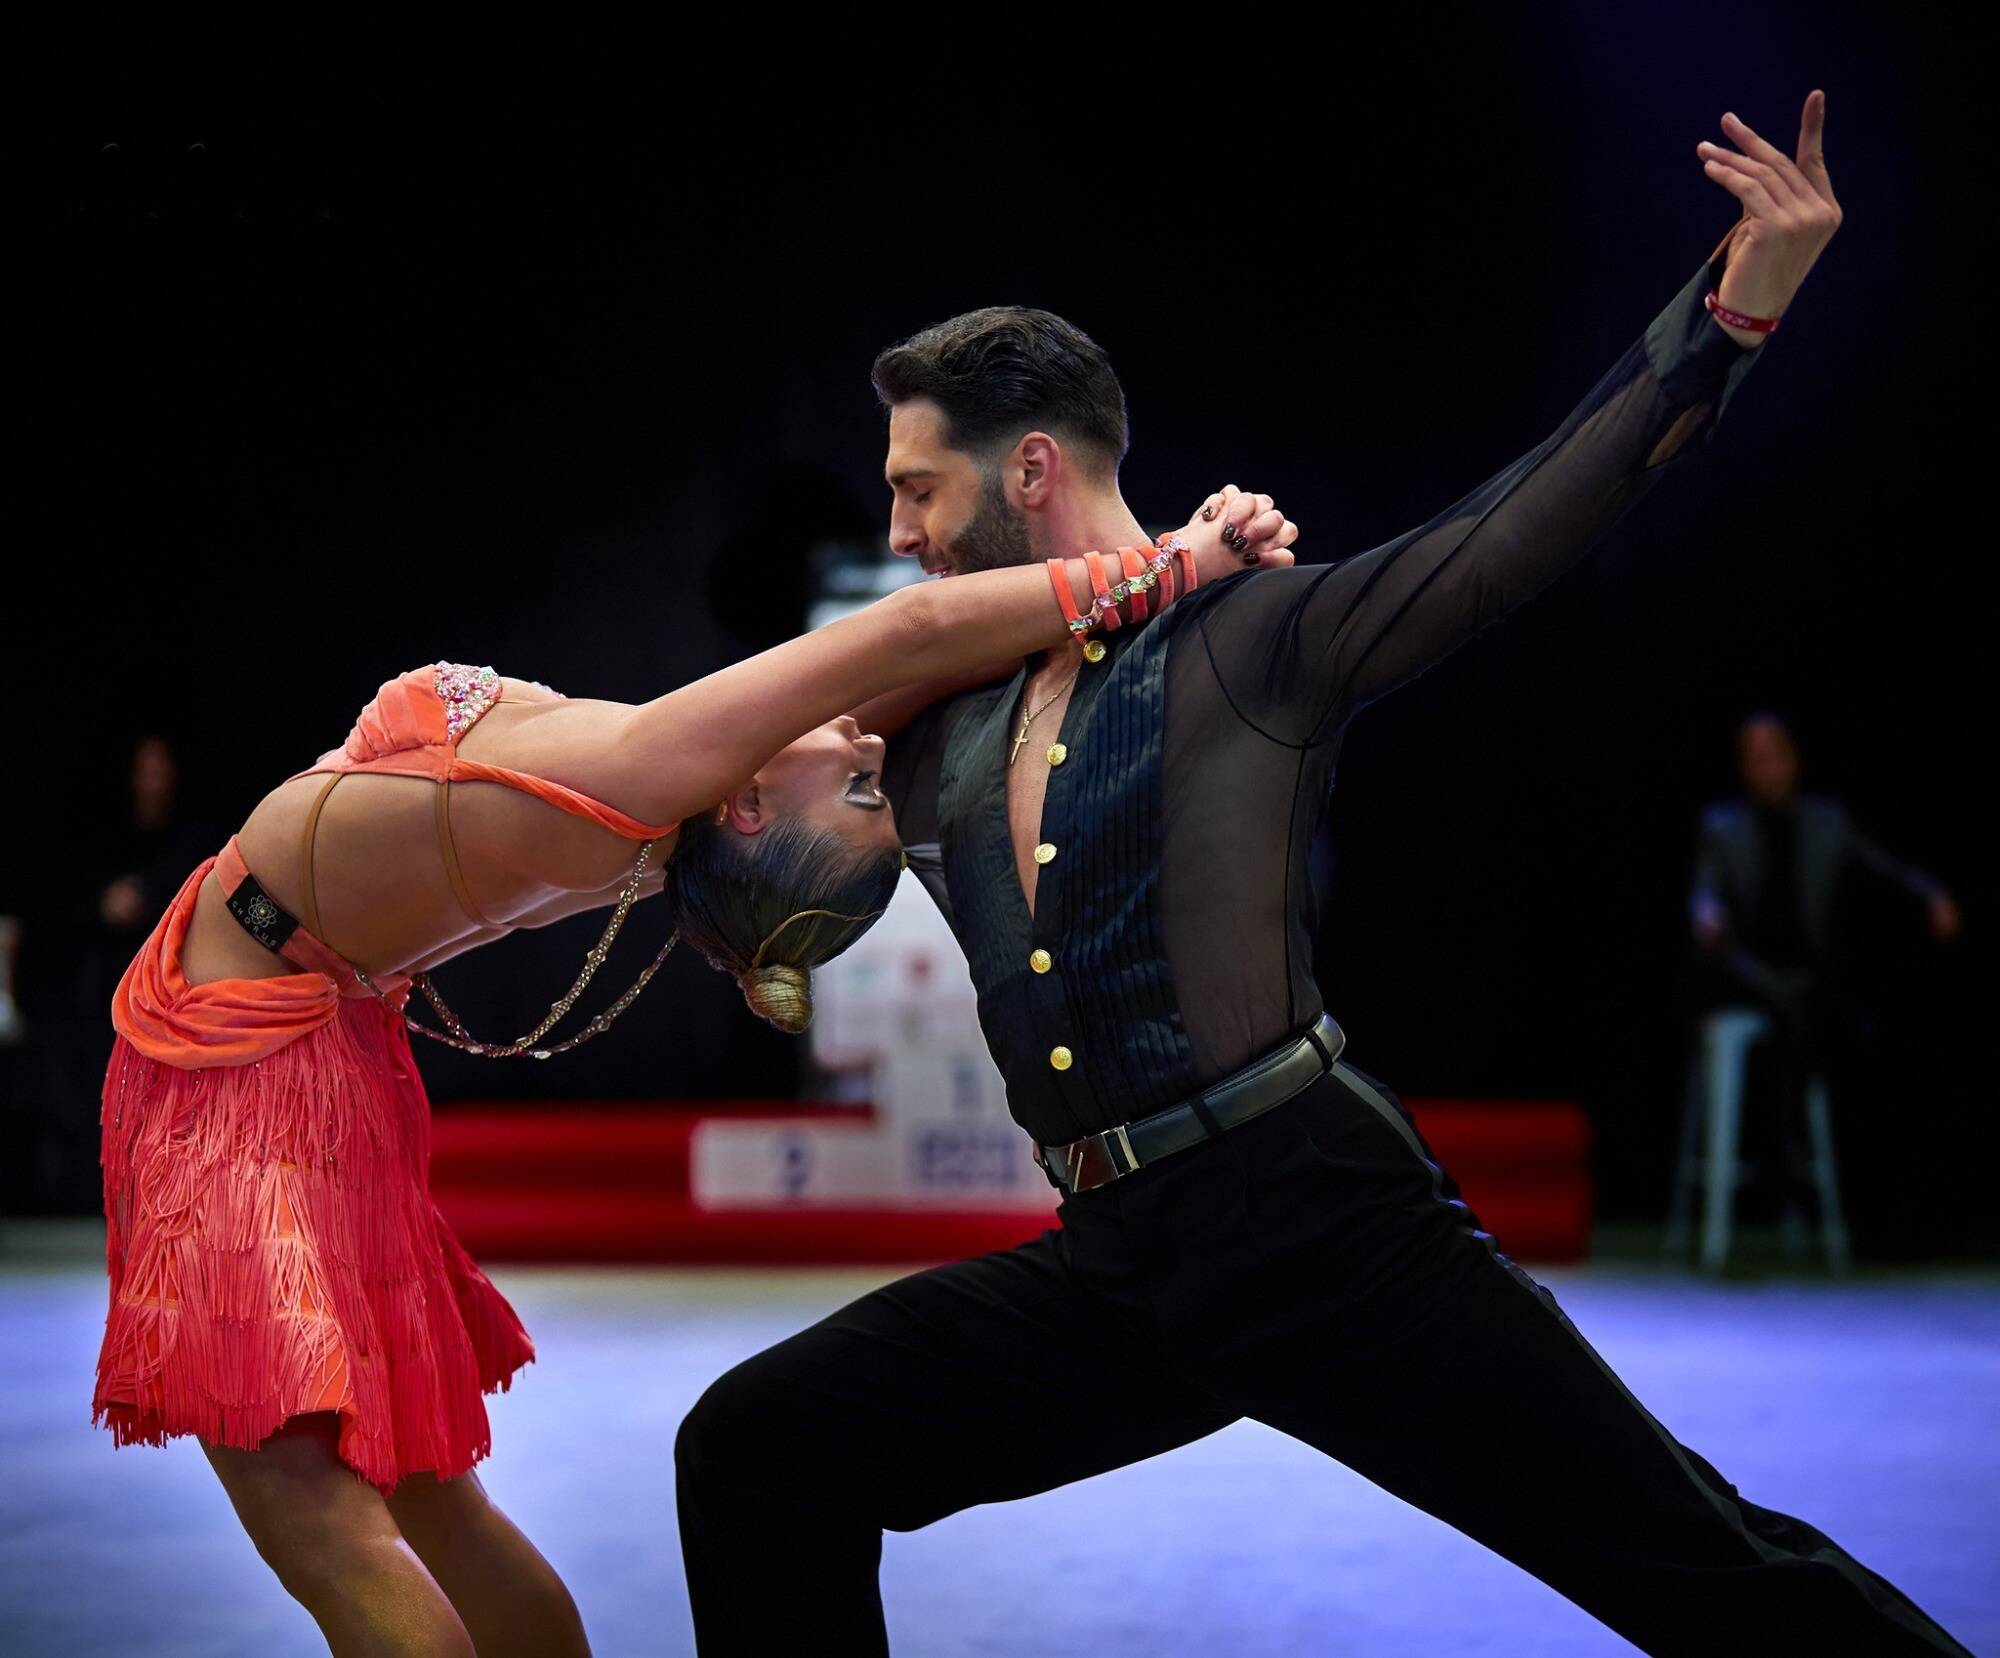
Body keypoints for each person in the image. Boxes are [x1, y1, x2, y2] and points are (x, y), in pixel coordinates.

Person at [675, 95, 1971, 1654]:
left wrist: (1739, 305)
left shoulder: (1257, 640)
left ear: (1028, 470)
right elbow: (743, 759)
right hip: (1122, 1269)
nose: (897, 529)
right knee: (756, 1451)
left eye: (918, 491)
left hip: (1326, 1230)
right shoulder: (939, 719)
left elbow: (1520, 526)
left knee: (1708, 1571)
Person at [92, 502, 1287, 1658]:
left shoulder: (645, 774)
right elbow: (892, 685)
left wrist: (1169, 564)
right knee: (427, 1501)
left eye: (861, 788)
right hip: (315, 1058)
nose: (866, 743)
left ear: (750, 804)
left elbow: (906, 635)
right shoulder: (677, 816)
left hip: (229, 1059)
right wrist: (1128, 592)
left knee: (333, 1530)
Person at [1689, 710, 1960, 1228]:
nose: (1763, 767)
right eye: (1752, 758)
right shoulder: (1723, 829)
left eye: (1773, 755)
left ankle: (1795, 1164)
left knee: (1829, 1016)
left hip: (1807, 978)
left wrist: (1932, 897)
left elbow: (1882, 869)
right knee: (1785, 1004)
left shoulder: (1827, 823)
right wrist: (1707, 917)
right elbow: (1705, 895)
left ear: (1794, 760)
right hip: (1745, 973)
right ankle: (1780, 1165)